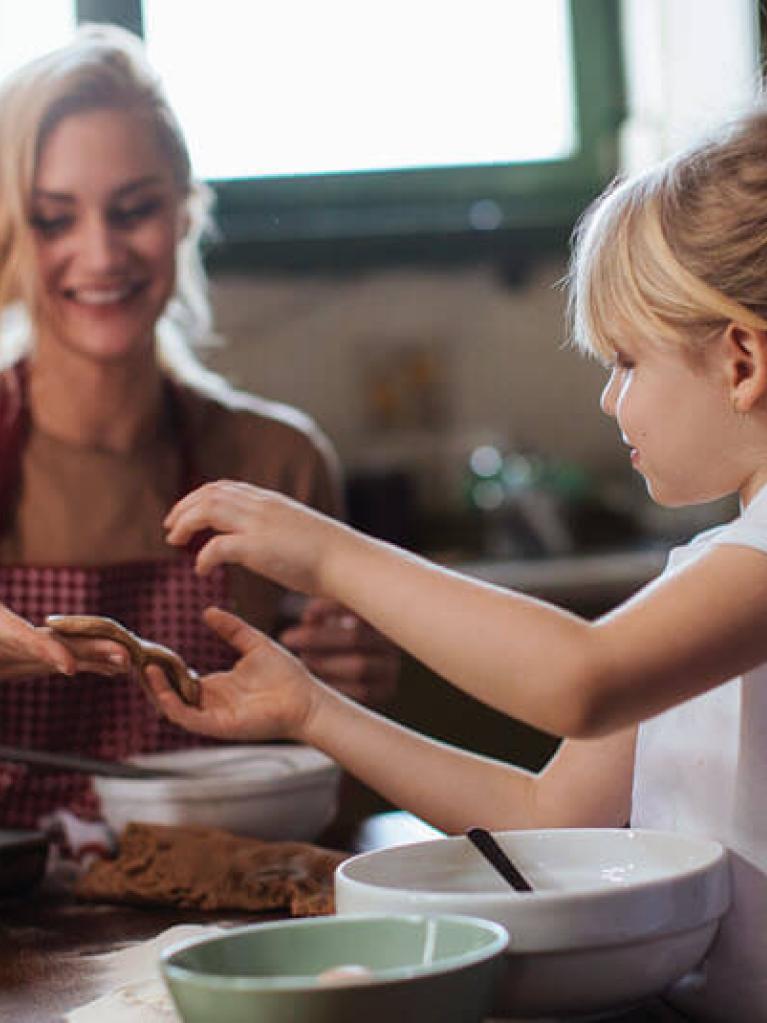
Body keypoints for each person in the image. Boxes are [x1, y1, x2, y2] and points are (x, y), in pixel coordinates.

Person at [148, 102, 767, 1022]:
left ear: (740, 360)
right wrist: (312, 708)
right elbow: (548, 818)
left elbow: (580, 678)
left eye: (626, 362)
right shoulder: (707, 573)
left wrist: (330, 553)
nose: (608, 399)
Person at [0, 24, 397, 830]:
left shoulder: (278, 463)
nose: (100, 253)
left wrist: (352, 699)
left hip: (227, 894)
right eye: (53, 219)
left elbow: (337, 801)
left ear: (185, 212)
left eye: (134, 209)